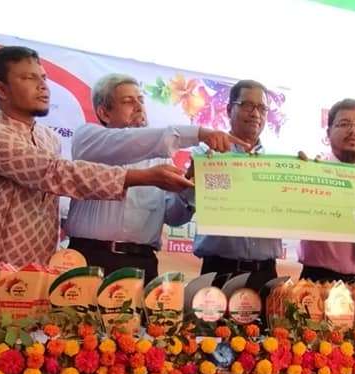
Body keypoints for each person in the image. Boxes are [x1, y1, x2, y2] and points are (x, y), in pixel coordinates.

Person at [0, 46, 191, 266]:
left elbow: (172, 214)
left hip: (40, 264)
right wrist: (147, 175)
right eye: (29, 78)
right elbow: (55, 174)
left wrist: (191, 186)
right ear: (0, 89)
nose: (42, 86)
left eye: (44, 78)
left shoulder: (48, 138)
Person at [65, 74, 244, 282]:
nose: (139, 107)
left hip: (141, 263)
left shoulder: (160, 160)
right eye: (128, 101)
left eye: (141, 100)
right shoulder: (88, 138)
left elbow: (174, 217)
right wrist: (200, 133)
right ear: (104, 112)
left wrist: (191, 181)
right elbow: (127, 141)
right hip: (89, 259)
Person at [192, 80, 283, 282]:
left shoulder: (278, 164)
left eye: (262, 108)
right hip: (218, 271)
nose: (256, 114)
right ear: (229, 109)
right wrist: (192, 179)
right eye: (247, 105)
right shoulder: (207, 155)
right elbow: (177, 214)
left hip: (265, 274)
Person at [297, 99, 355, 284]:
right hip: (320, 281)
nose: (354, 130)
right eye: (344, 124)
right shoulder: (312, 172)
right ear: (328, 133)